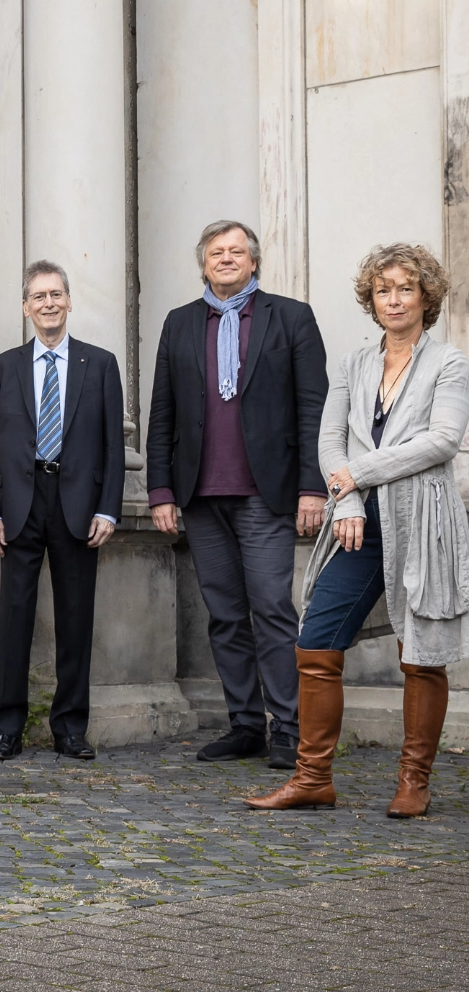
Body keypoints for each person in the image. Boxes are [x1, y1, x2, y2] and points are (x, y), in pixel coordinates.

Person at [247, 244, 469, 816]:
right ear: (371, 300)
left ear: (426, 297)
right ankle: (312, 776)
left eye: (405, 288)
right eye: (382, 290)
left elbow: (442, 440)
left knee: (420, 652)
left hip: (421, 520)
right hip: (357, 522)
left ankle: (414, 780)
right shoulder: (353, 364)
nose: (393, 299)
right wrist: (344, 502)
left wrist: (356, 475)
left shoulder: (449, 363)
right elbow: (329, 440)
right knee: (316, 639)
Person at [147, 220, 328, 770]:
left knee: (272, 610)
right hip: (200, 496)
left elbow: (313, 408)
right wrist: (160, 490)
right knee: (224, 615)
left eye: (236, 251)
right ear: (203, 263)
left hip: (266, 495)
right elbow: (162, 414)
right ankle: (245, 725)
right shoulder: (180, 323)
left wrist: (313, 488)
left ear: (253, 262)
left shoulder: (291, 317)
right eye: (216, 252)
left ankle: (288, 729)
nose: (226, 259)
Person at [0, 260, 125, 762]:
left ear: (68, 301)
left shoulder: (100, 364)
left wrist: (109, 509)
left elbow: (111, 446)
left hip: (79, 506)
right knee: (13, 619)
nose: (48, 303)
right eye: (38, 296)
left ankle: (70, 728)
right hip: (20, 506)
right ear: (25, 307)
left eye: (55, 294)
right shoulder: (2, 368)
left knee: (76, 618)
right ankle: (8, 727)